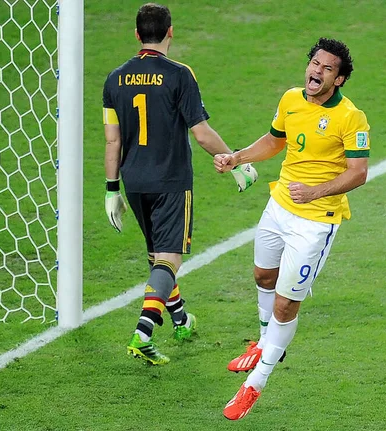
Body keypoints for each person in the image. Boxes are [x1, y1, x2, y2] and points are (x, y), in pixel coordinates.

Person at [214, 37, 370, 420]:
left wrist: (315, 192)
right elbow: (274, 141)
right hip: (278, 207)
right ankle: (265, 340)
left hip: (316, 222)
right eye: (314, 63)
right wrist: (237, 157)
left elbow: (359, 173)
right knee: (263, 276)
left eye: (327, 68)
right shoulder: (290, 99)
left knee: (286, 303)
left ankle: (256, 383)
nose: (317, 71)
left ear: (340, 79)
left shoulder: (352, 118)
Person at [102, 3, 257, 366]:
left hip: (134, 180)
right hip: (170, 180)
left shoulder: (114, 78)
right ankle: (142, 334)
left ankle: (181, 319)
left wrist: (112, 190)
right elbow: (201, 134)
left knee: (158, 258)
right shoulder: (179, 74)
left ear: (137, 35)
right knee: (168, 259)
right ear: (170, 32)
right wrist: (236, 161)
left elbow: (113, 141)